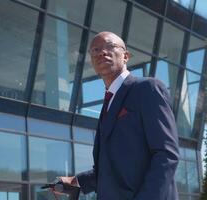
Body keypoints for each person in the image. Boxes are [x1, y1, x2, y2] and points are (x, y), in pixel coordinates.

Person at [58, 31, 179, 200]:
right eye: (95, 50)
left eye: (110, 46)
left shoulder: (147, 88)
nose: (102, 52)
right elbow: (109, 170)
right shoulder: (109, 103)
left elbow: (166, 154)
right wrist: (76, 182)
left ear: (126, 56)